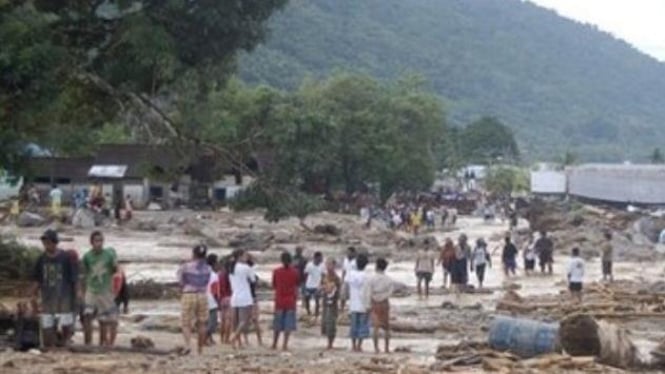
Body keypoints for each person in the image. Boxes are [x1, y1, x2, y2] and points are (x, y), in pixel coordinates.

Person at [31, 229, 77, 348]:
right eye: (45, 243)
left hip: (64, 296)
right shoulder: (41, 260)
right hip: (47, 297)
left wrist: (77, 295)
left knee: (66, 325)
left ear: (55, 242)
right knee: (47, 328)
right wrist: (33, 294)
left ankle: (65, 344)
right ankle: (51, 345)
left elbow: (73, 278)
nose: (47, 245)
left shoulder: (66, 258)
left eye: (49, 242)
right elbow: (37, 279)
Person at [81, 231, 118, 347]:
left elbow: (114, 270)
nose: (99, 243)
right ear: (91, 242)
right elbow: (85, 272)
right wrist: (82, 290)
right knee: (87, 316)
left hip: (105, 289)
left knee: (104, 318)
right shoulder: (87, 256)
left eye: (101, 240)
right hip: (91, 289)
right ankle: (88, 342)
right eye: (97, 241)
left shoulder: (109, 255)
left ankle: (102, 343)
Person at [176, 244, 211, 355]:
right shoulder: (208, 268)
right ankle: (200, 348)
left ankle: (188, 345)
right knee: (202, 322)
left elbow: (181, 281)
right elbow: (207, 282)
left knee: (186, 322)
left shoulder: (185, 266)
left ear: (193, 254)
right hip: (202, 294)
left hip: (189, 294)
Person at [271, 251, 299, 350]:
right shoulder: (295, 272)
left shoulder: (276, 272)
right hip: (290, 300)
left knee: (277, 324)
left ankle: (274, 343)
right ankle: (285, 344)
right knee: (288, 324)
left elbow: (274, 285)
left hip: (279, 300)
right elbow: (296, 285)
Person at [229, 250, 256, 349]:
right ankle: (234, 337)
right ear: (240, 257)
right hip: (245, 296)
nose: (246, 257)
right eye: (245, 256)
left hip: (234, 296)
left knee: (235, 322)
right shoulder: (246, 268)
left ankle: (236, 342)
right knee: (243, 321)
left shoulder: (231, 268)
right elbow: (253, 279)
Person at [365, 257, 394, 354]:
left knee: (376, 327)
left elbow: (368, 292)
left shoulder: (371, 278)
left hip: (375, 302)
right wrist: (383, 296)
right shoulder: (388, 279)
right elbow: (390, 292)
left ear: (376, 266)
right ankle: (386, 348)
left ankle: (376, 348)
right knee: (386, 327)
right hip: (384, 303)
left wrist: (368, 304)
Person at [345, 253, 370, 352]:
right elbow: (368, 291)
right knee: (362, 325)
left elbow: (346, 286)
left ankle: (353, 345)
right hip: (363, 304)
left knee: (353, 325)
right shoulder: (366, 276)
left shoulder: (350, 274)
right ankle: (359, 345)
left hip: (353, 303)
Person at [321, 258, 341, 350]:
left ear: (334, 266)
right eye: (327, 264)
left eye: (330, 265)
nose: (328, 267)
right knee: (326, 322)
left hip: (332, 304)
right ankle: (328, 342)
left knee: (331, 324)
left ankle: (330, 343)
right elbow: (320, 288)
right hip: (325, 302)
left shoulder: (336, 278)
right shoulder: (324, 276)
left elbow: (337, 291)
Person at [245, 255, 263, 346]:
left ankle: (246, 340)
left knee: (245, 321)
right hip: (253, 298)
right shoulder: (254, 276)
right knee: (256, 321)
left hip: (245, 299)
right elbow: (257, 284)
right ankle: (259, 340)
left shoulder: (242, 275)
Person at [217, 257, 233, 344]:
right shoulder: (230, 275)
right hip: (229, 297)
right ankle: (227, 339)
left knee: (222, 320)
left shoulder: (220, 274)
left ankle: (222, 338)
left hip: (222, 298)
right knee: (228, 320)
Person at [303, 251, 324, 318]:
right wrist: (305, 284)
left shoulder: (322, 265)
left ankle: (316, 314)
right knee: (307, 299)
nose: (321, 259)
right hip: (309, 285)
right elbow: (305, 274)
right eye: (320, 258)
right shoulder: (309, 265)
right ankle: (308, 312)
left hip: (317, 286)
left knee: (317, 300)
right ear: (316, 258)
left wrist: (321, 285)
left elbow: (323, 275)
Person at [205, 254, 220, 346]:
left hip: (201, 297)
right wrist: (218, 301)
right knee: (213, 322)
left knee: (205, 321)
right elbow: (214, 290)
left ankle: (209, 339)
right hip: (211, 300)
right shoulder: (214, 275)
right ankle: (205, 338)